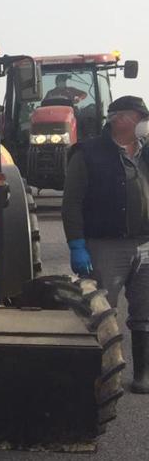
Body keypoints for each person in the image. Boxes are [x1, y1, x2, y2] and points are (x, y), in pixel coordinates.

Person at [63, 95, 149, 393]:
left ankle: (143, 375)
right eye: (141, 117)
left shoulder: (146, 151)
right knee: (102, 312)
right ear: (121, 119)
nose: (145, 123)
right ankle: (102, 376)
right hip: (105, 245)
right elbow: (71, 202)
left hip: (145, 244)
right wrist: (76, 243)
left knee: (144, 310)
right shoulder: (88, 153)